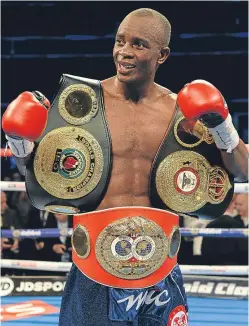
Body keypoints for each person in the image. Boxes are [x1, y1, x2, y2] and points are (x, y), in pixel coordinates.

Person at [2, 8, 248, 326]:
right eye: (120, 41)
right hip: (94, 270)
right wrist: (19, 141)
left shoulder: (181, 114)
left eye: (138, 44)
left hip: (161, 268)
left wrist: (222, 126)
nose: (125, 52)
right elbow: (39, 178)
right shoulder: (81, 106)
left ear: (163, 55)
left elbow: (241, 171)